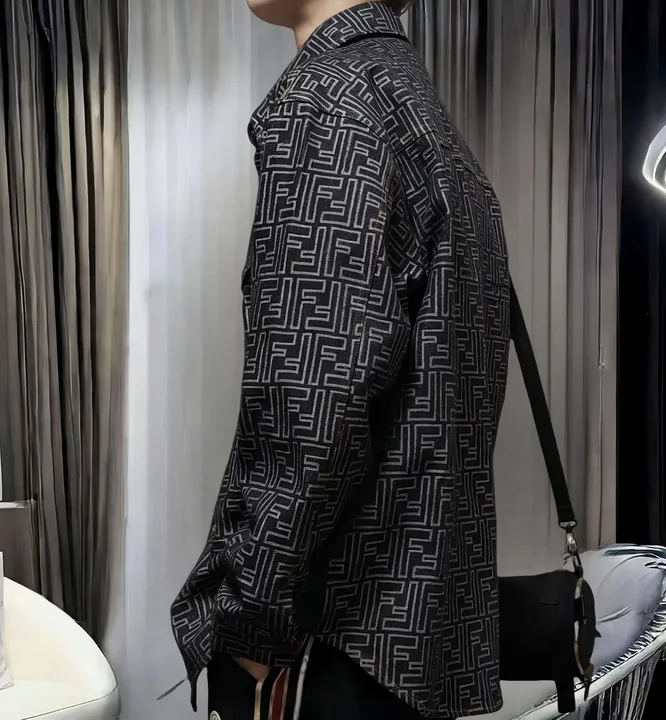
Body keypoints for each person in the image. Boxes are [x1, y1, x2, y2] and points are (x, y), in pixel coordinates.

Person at [170, 1, 511, 718]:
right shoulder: (416, 106)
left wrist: (248, 625)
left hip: (323, 645)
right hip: (407, 645)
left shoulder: (333, 96)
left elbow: (314, 402)